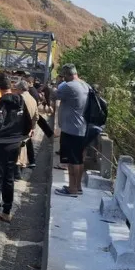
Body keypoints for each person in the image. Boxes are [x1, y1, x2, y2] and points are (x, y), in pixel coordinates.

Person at [0, 74, 33, 225]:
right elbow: (27, 120)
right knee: (9, 177)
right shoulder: (20, 99)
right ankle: (6, 212)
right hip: (15, 143)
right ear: (11, 86)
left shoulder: (3, 100)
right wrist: (25, 133)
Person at [54, 64, 89, 197]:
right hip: (83, 127)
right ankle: (77, 186)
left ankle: (71, 189)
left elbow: (54, 95)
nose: (63, 79)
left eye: (64, 76)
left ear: (68, 74)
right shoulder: (86, 85)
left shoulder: (69, 86)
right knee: (79, 160)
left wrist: (54, 86)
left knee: (72, 160)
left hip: (71, 129)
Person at [14, 80, 39, 171]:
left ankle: (17, 170)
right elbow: (36, 117)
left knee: (17, 151)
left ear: (20, 88)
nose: (16, 90)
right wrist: (32, 128)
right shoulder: (33, 99)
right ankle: (21, 167)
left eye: (16, 88)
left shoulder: (19, 98)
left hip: (18, 128)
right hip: (27, 129)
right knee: (23, 147)